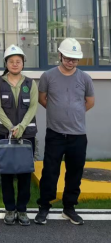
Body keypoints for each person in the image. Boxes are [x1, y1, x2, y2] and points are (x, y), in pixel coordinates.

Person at [35, 38, 96, 226]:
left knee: (75, 172)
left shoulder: (85, 78)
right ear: (60, 55)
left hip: (78, 135)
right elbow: (42, 99)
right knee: (50, 171)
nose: (71, 62)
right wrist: (58, 112)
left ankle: (69, 208)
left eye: (75, 59)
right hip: (55, 134)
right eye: (68, 58)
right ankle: (44, 206)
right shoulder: (48, 76)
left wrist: (73, 114)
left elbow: (90, 102)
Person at [0, 45, 39, 226]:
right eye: (11, 61)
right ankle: (10, 209)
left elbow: (33, 107)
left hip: (26, 135)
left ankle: (22, 210)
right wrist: (12, 127)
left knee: (24, 173)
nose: (14, 64)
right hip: (4, 135)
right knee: (6, 173)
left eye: (18, 61)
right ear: (6, 63)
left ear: (23, 63)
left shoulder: (30, 83)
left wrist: (21, 127)